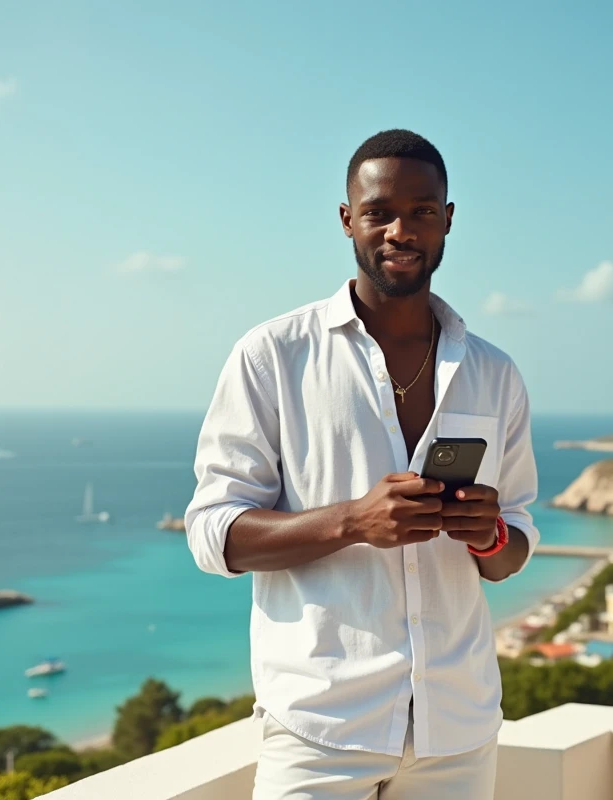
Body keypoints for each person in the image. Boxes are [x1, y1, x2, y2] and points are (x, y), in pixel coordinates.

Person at [185, 129, 539, 799]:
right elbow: (211, 533)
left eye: (422, 210)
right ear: (348, 219)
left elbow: (513, 545)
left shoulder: (496, 373)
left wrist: (488, 532)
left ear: (448, 220)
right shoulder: (272, 355)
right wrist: (352, 520)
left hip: (457, 733)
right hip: (320, 729)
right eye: (379, 211)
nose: (400, 230)